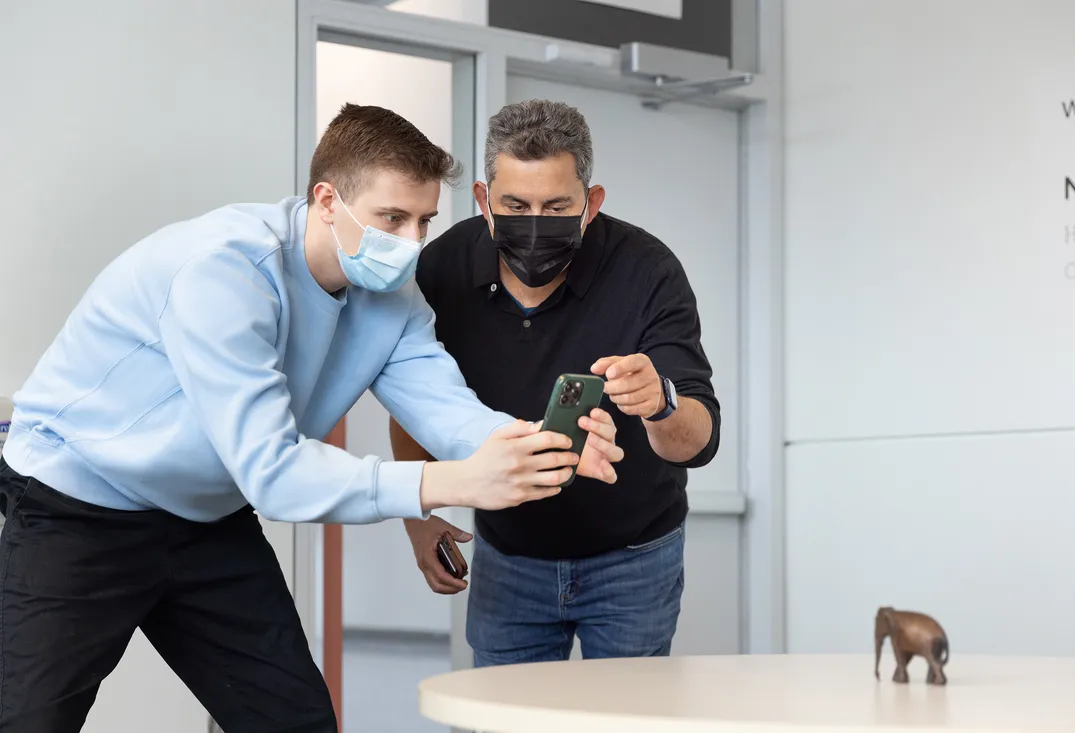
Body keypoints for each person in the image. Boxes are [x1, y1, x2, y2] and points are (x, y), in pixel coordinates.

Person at [0, 103, 623, 732]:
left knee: (297, 726)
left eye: (425, 221)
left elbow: (443, 404)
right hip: (78, 506)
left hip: (205, 520)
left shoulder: (392, 298)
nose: (411, 244)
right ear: (328, 200)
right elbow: (273, 472)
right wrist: (451, 484)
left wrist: (532, 446)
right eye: (392, 218)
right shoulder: (224, 273)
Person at [392, 99, 720, 667]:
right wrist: (418, 518)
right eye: (515, 204)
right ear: (482, 201)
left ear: (590, 204)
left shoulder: (647, 270)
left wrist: (660, 403)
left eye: (557, 205)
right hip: (507, 555)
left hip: (634, 556)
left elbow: (696, 443)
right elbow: (413, 403)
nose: (535, 223)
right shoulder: (441, 268)